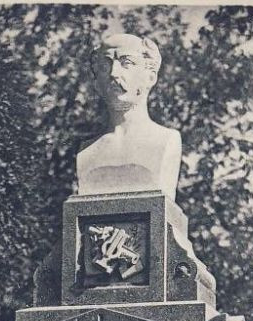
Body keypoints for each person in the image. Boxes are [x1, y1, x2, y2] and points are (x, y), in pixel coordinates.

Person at [76, 33, 182, 202]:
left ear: (150, 77)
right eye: (104, 66)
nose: (114, 73)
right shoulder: (87, 152)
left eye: (127, 63)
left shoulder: (167, 141)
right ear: (97, 84)